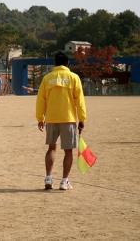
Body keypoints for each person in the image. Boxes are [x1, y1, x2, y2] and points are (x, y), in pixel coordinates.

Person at [36, 52, 86, 191]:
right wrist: (82, 118)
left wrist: (40, 118)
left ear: (55, 64)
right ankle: (64, 181)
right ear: (67, 63)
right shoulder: (74, 77)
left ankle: (48, 178)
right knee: (68, 151)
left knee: (51, 148)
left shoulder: (47, 78)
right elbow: (80, 101)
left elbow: (41, 99)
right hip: (68, 118)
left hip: (51, 118)